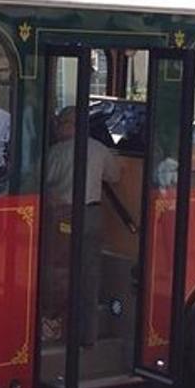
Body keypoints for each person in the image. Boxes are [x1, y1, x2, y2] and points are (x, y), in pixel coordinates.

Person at [42, 106, 120, 346]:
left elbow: (41, 182)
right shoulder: (99, 149)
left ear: (69, 126)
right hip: (93, 215)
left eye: (61, 124)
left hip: (63, 217)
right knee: (90, 276)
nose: (57, 129)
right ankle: (88, 335)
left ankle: (56, 327)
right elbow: (115, 176)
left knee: (59, 272)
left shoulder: (56, 153)